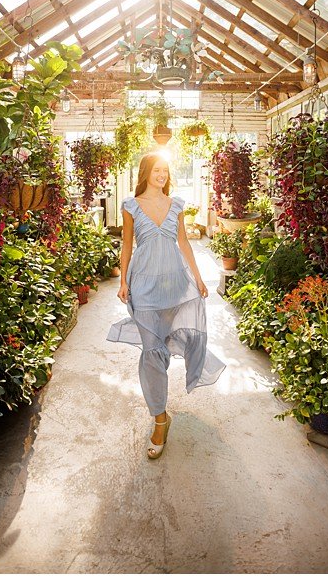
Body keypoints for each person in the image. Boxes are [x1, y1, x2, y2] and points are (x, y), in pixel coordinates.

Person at [108, 152, 226, 459]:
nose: (162, 174)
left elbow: (184, 243)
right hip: (143, 285)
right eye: (157, 169)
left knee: (167, 341)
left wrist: (199, 279)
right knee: (151, 350)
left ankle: (165, 391)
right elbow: (127, 244)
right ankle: (160, 418)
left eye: (165, 170)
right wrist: (123, 281)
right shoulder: (131, 206)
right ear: (146, 172)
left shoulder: (176, 204)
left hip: (174, 283)